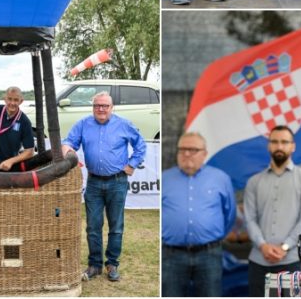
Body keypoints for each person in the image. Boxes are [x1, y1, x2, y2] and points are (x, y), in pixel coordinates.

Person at [61, 91, 147, 282]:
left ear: (111, 107)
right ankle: (94, 265)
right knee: (93, 226)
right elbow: (69, 141)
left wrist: (132, 164)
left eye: (105, 106)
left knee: (116, 226)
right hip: (93, 183)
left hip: (117, 182)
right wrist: (66, 148)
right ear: (93, 107)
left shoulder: (123, 124)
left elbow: (140, 145)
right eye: (97, 105)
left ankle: (112, 264)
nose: (101, 109)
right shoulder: (83, 124)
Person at [244, 125, 301, 297]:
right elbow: (250, 219)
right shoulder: (254, 182)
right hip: (258, 262)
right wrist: (263, 246)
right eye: (275, 142)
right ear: (269, 145)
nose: (279, 146)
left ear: (293, 146)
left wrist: (285, 247)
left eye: (284, 142)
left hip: (292, 261)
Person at [161, 132, 236, 297]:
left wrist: (210, 235)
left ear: (204, 153)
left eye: (192, 149)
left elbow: (229, 214)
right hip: (171, 255)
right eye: (182, 149)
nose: (186, 154)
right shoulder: (165, 178)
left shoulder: (220, 179)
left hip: (209, 254)